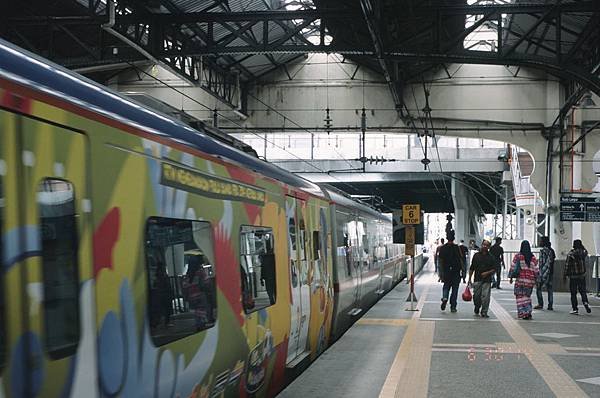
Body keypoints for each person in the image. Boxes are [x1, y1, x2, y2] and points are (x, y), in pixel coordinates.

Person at [509, 240, 539, 320]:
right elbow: (536, 270)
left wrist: (511, 277)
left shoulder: (518, 256)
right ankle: (528, 312)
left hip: (520, 281)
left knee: (519, 297)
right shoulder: (533, 258)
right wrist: (536, 280)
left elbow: (513, 267)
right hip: (530, 282)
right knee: (527, 297)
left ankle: (523, 313)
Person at [468, 240, 496, 318]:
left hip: (487, 280)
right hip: (477, 279)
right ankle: (477, 306)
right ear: (481, 245)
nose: (484, 246)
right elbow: (472, 268)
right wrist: (469, 279)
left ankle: (484, 311)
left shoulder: (491, 257)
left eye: (487, 245)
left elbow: (494, 269)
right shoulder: (476, 256)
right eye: (483, 244)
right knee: (476, 296)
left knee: (486, 297)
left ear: (489, 247)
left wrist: (487, 273)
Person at [438, 232, 465, 313]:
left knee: (446, 286)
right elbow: (461, 260)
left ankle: (445, 297)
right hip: (456, 272)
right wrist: (463, 272)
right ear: (453, 239)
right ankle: (453, 306)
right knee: (455, 289)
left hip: (446, 271)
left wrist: (440, 274)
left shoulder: (442, 248)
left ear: (447, 238)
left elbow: (440, 262)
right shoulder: (457, 248)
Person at [564, 239, 591, 315]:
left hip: (573, 276)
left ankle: (575, 309)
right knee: (583, 291)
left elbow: (567, 266)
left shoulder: (571, 254)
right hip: (582, 275)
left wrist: (565, 275)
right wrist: (582, 247)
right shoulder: (583, 253)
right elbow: (586, 251)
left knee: (573, 293)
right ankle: (585, 302)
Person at [535, 236, 555, 310]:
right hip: (551, 272)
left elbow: (545, 263)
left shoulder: (543, 251)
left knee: (538, 288)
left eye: (541, 241)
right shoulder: (552, 250)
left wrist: (542, 273)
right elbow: (552, 262)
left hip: (544, 272)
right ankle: (550, 305)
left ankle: (540, 304)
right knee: (550, 289)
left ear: (544, 242)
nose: (540, 242)